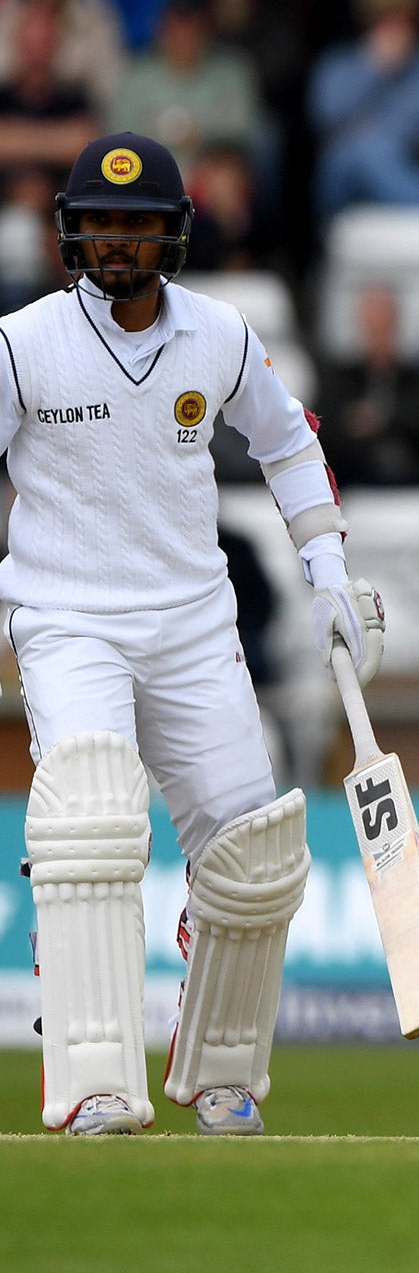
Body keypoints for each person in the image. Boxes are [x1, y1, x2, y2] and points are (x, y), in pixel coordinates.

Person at [9, 133, 384, 1135]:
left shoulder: (219, 334)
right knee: (88, 826)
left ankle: (219, 1074)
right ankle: (93, 1080)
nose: (116, 241)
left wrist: (330, 572)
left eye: (136, 223)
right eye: (98, 223)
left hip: (190, 623)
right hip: (68, 618)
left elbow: (292, 448)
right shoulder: (21, 343)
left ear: (171, 232)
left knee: (248, 851)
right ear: (70, 233)